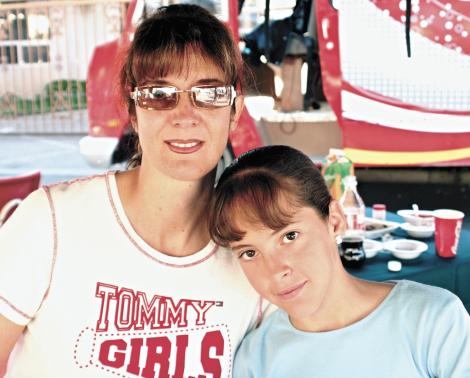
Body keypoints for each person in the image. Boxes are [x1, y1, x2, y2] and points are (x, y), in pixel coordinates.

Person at [0, 5, 270, 377]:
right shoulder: (50, 223)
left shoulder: (257, 253)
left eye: (208, 95)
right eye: (160, 94)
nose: (184, 115)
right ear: (132, 111)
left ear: (234, 111)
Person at [208, 145, 470, 378]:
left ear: (334, 221)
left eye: (290, 236)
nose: (276, 271)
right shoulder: (255, 360)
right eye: (249, 253)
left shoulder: (433, 320)